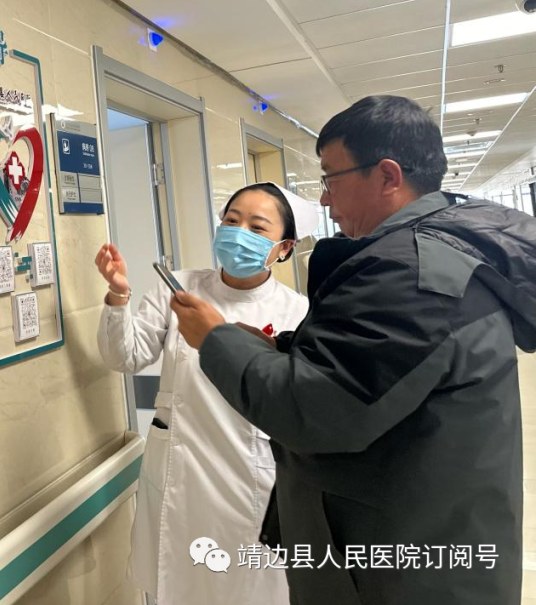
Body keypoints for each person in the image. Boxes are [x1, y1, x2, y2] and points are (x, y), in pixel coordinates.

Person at [172, 96, 536, 604]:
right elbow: (371, 371)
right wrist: (282, 348)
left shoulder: (410, 273)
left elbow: (313, 409)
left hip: (402, 572)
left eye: (330, 178)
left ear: (387, 176)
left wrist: (216, 339)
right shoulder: (431, 255)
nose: (324, 199)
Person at [95, 181, 320, 604]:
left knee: (252, 591)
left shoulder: (299, 311)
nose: (239, 234)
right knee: (181, 586)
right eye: (231, 221)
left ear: (285, 248)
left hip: (251, 478)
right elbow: (125, 356)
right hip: (182, 475)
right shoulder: (179, 288)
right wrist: (118, 294)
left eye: (257, 227)